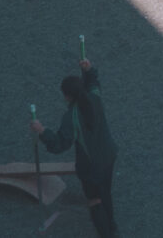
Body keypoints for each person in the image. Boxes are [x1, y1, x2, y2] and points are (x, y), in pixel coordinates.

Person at [30, 58, 119, 237]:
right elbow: (94, 83)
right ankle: (112, 226)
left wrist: (42, 131)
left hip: (91, 166)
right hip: (109, 155)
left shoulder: (72, 117)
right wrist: (88, 70)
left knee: (95, 199)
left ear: (67, 96)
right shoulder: (95, 97)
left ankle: (107, 233)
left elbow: (59, 144)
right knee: (105, 192)